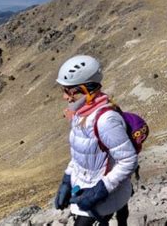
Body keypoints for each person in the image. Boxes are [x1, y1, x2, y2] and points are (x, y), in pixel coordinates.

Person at [54, 55, 137, 226]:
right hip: (85, 186)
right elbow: (82, 152)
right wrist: (67, 179)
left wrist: (101, 190)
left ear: (86, 90)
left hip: (105, 192)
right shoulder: (80, 113)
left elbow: (128, 160)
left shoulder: (106, 120)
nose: (65, 97)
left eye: (69, 91)